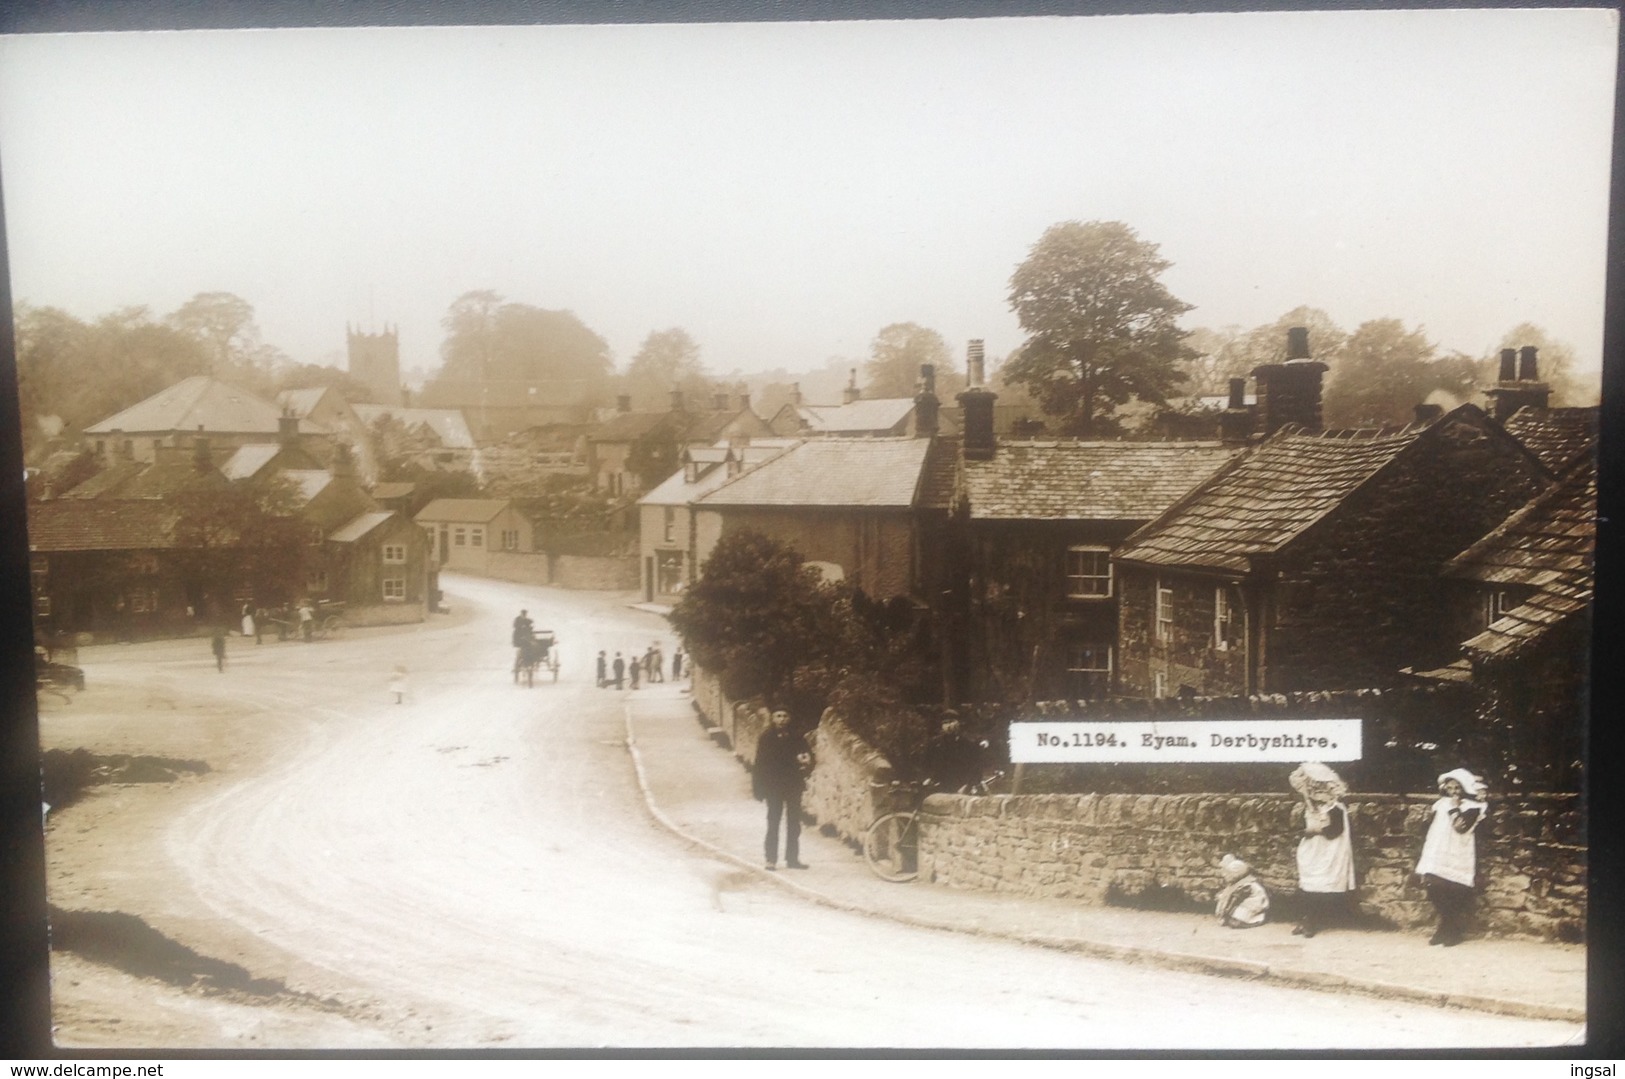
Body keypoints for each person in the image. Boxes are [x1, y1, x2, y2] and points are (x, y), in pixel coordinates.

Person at [1415, 768, 1489, 946]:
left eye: (1457, 788)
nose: (1454, 791)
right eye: (1450, 788)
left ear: (1464, 788)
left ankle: (1449, 930)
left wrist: (1455, 807)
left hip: (1458, 852)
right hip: (1438, 850)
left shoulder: (1473, 808)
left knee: (1454, 890)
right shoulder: (1440, 804)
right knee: (1433, 885)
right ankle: (1448, 926)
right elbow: (1430, 825)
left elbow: (1460, 827)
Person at [1288, 761, 1356, 938]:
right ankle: (1305, 918)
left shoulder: (1336, 809)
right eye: (1315, 790)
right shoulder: (1311, 808)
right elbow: (1303, 827)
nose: (1319, 794)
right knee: (1307, 885)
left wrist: (1315, 829)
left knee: (1320, 887)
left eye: (1323, 790)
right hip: (1312, 849)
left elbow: (1335, 831)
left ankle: (1312, 920)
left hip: (1328, 850)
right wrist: (1307, 829)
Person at [753, 708, 811, 870]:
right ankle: (770, 859)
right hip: (774, 786)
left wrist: (806, 764)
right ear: (773, 718)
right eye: (778, 716)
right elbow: (759, 764)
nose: (782, 719)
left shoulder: (797, 737)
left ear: (790, 718)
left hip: (793, 785)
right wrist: (758, 788)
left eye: (785, 716)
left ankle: (792, 859)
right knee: (773, 822)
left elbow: (808, 757)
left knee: (794, 823)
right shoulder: (766, 738)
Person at [921, 713, 986, 793]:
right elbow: (926, 763)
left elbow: (976, 767)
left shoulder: (969, 743)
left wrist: (968, 785)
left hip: (962, 786)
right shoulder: (935, 744)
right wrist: (927, 778)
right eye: (945, 722)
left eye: (951, 721)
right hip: (939, 785)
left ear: (958, 723)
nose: (948, 725)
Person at [1214, 854, 1270, 928]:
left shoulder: (1246, 885)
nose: (1224, 875)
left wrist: (1226, 912)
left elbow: (1235, 899)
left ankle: (1253, 921)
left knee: (1236, 921)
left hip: (1252, 905)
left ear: (1236, 874)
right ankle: (1232, 917)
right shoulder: (1234, 884)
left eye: (1228, 874)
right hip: (1242, 904)